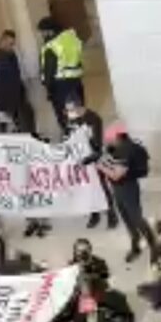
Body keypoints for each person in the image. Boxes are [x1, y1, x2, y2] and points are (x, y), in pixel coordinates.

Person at [98, 123, 160, 263]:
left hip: (127, 188)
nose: (107, 141)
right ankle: (135, 244)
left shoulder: (126, 150)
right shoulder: (119, 147)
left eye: (109, 138)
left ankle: (154, 246)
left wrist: (100, 164)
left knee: (136, 218)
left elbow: (116, 175)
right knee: (126, 217)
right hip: (119, 188)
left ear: (118, 137)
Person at [65, 97, 117, 230]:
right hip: (80, 157)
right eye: (68, 110)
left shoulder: (94, 119)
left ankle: (111, 214)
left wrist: (87, 148)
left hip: (93, 157)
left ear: (80, 107)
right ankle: (94, 214)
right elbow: (70, 135)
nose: (69, 112)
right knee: (86, 187)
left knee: (101, 186)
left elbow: (97, 143)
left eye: (72, 109)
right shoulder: (71, 118)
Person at [38, 16, 84, 130]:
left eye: (42, 32)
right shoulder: (72, 38)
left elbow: (49, 71)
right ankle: (81, 131)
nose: (42, 35)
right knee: (77, 109)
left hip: (60, 84)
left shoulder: (52, 46)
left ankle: (69, 134)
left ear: (49, 31)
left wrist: (48, 88)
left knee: (64, 113)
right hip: (76, 80)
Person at [0, 29, 35, 133]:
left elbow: (15, 73)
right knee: (16, 122)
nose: (11, 46)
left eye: (12, 44)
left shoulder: (11, 54)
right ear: (2, 41)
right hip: (6, 95)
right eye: (9, 43)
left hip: (17, 92)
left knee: (27, 118)